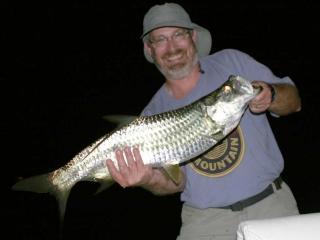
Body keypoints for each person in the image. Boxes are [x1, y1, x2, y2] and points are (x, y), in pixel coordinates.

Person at [106, 2, 301, 240]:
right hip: (205, 222)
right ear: (150, 49)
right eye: (160, 39)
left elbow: (294, 102)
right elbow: (176, 183)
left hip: (271, 205)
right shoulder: (151, 115)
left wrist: (271, 94)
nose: (172, 47)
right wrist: (147, 178)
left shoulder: (232, 63)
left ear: (193, 37)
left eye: (178, 34)